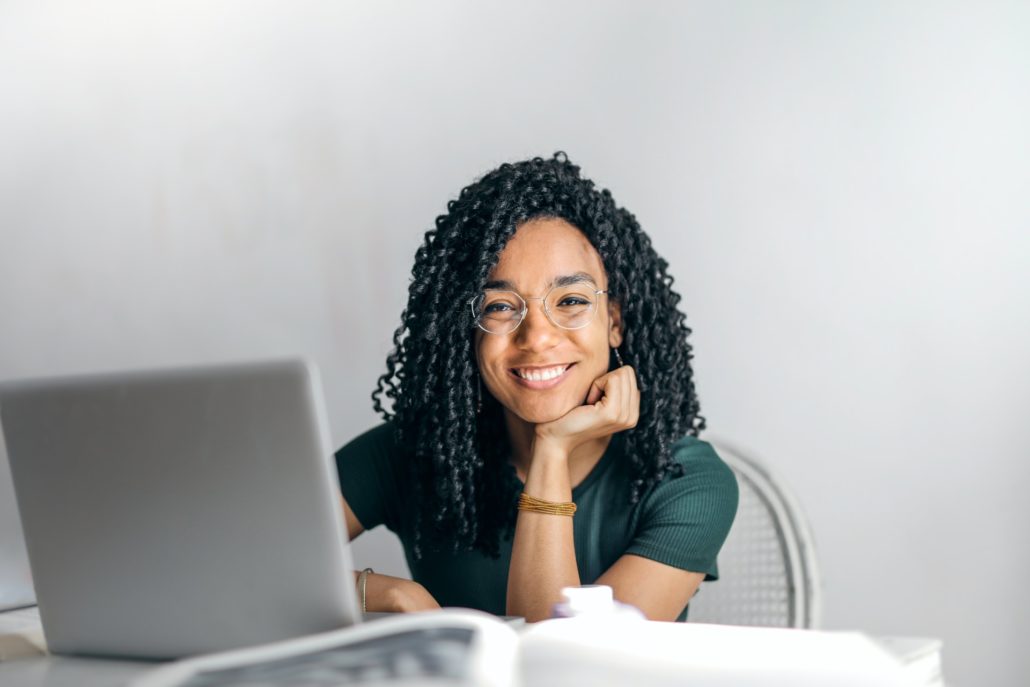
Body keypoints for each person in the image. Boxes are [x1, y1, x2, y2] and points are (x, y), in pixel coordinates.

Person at [336, 152, 738, 622]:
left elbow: (566, 668)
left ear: (615, 321)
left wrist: (552, 448)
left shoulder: (686, 481)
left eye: (570, 300)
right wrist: (387, 594)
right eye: (500, 307)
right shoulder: (414, 451)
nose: (538, 337)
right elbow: (240, 566)